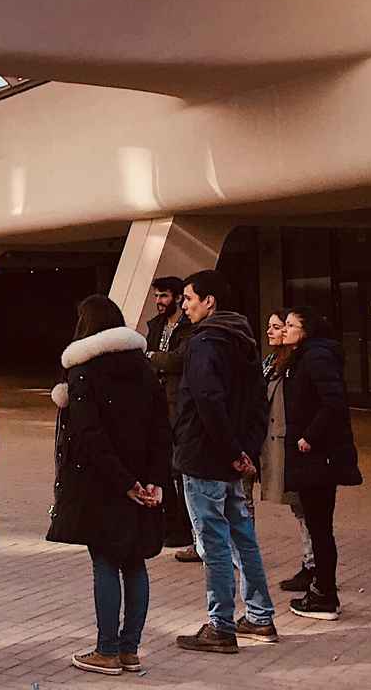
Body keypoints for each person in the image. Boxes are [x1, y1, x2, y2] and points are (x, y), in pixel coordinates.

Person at [48, 295, 171, 678]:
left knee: (105, 560)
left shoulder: (83, 372)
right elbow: (161, 430)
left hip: (102, 482)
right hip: (142, 479)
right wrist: (152, 481)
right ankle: (130, 650)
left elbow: (89, 435)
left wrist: (125, 483)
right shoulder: (144, 368)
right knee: (134, 561)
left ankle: (107, 650)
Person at [172, 270, 279, 654]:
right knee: (241, 537)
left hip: (206, 458)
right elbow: (257, 404)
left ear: (209, 301)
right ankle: (260, 616)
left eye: (188, 298)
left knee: (213, 543)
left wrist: (234, 451)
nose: (184, 306)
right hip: (232, 458)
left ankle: (221, 625)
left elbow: (207, 401)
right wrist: (244, 451)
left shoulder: (204, 343)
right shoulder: (243, 341)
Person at [282, 307, 362, 622]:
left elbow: (333, 402)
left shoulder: (316, 357)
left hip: (317, 457)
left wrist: (309, 437)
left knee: (320, 527)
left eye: (291, 325)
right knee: (317, 526)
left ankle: (325, 595)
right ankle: (321, 589)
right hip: (312, 456)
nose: (285, 329)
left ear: (306, 329)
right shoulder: (303, 357)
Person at [259, 309, 314, 594]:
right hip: (272, 442)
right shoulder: (271, 362)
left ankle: (312, 565)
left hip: (290, 444)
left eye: (278, 326)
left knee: (304, 506)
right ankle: (310, 562)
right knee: (298, 507)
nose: (270, 331)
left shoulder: (296, 364)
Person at [144, 277, 196, 555]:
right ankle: (170, 524)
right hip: (158, 406)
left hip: (179, 407)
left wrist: (152, 356)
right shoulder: (155, 326)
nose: (158, 301)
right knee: (162, 467)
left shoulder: (189, 327)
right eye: (156, 296)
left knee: (181, 469)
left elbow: (178, 360)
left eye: (163, 296)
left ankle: (186, 527)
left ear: (176, 298)